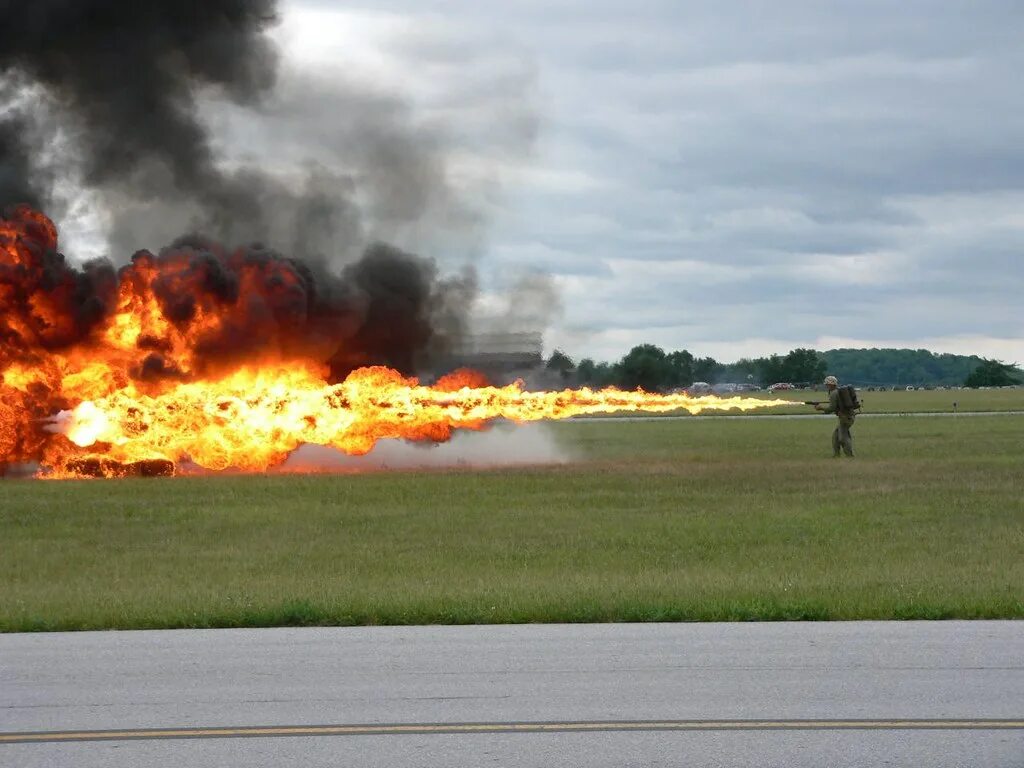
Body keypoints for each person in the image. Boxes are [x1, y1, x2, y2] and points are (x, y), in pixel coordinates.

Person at [815, 375, 855, 457]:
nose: (826, 386)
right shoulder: (838, 392)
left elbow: (831, 408)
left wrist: (821, 408)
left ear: (830, 384)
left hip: (845, 418)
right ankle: (836, 455)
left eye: (827, 384)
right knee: (835, 437)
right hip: (848, 417)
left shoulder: (833, 394)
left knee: (843, 438)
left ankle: (850, 455)